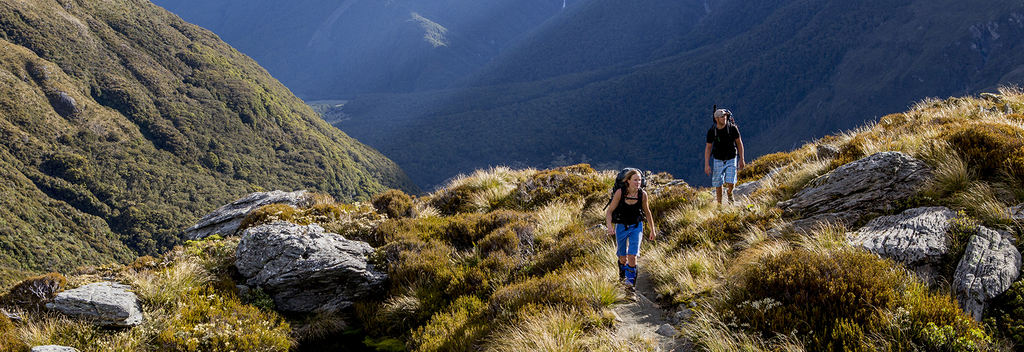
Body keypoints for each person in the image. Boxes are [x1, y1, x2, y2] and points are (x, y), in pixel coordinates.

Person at [605, 169, 657, 287]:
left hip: (636, 226)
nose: (638, 182)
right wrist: (609, 227)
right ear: (628, 181)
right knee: (623, 259)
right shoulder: (620, 193)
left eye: (639, 180)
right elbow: (609, 212)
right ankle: (622, 279)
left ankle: (630, 287)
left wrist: (652, 230)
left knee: (632, 256)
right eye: (635, 180)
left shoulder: (642, 195)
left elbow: (647, 213)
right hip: (621, 227)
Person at [705, 108, 745, 204]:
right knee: (718, 183)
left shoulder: (732, 128)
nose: (724, 118)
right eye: (722, 117)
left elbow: (739, 144)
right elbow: (708, 148)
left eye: (725, 116)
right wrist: (707, 164)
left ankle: (729, 193)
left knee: (731, 181)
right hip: (718, 159)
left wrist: (741, 159)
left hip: (731, 157)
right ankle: (719, 204)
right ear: (716, 119)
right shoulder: (712, 131)